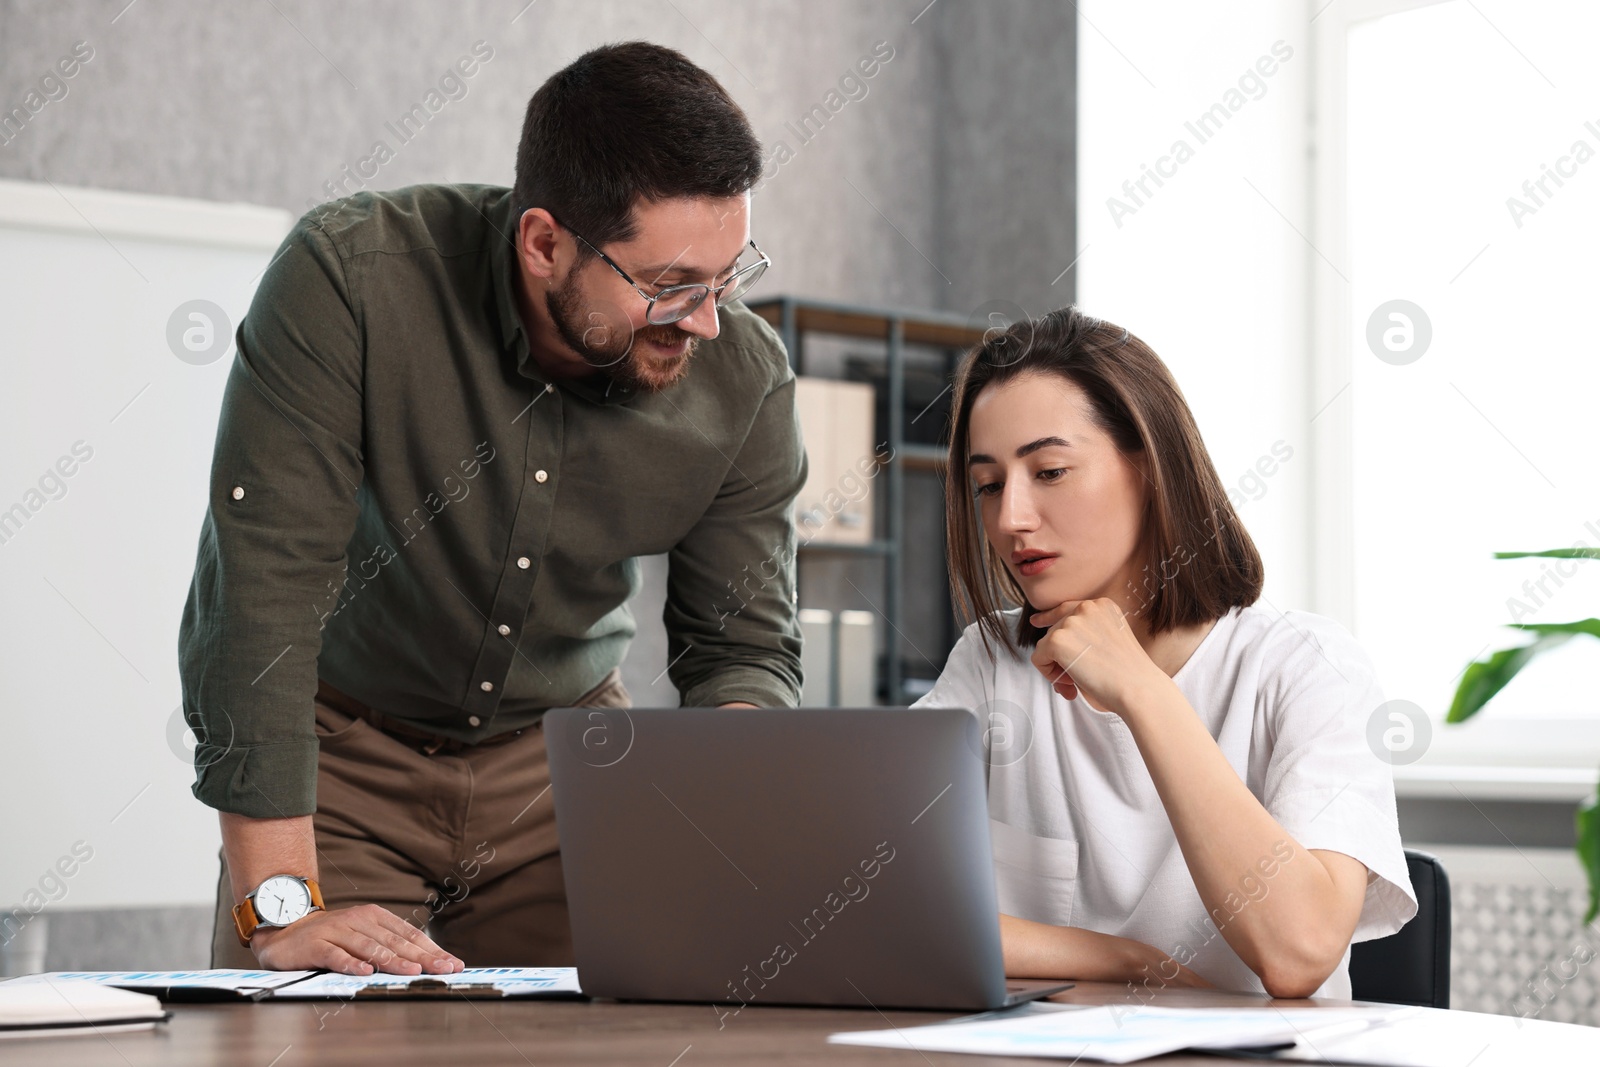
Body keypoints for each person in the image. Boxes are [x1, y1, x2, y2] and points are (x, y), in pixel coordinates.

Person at [179, 42, 806, 976]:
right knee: (313, 1026)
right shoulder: (350, 279)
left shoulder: (745, 379)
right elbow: (259, 597)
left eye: (727, 278)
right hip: (346, 756)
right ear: (544, 241)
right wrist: (278, 909)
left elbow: (740, 651)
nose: (707, 319)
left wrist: (721, 852)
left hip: (571, 770)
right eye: (671, 286)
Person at [912, 307, 1416, 998]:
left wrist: (1142, 690)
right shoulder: (989, 661)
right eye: (990, 484)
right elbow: (883, 910)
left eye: (1050, 471)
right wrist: (1123, 959)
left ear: (1149, 466)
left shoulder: (1308, 667)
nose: (1010, 519)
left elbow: (1299, 953)